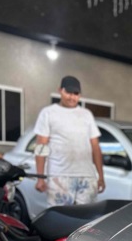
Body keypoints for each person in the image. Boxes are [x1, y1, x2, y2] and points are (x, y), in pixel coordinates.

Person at [31, 75, 106, 206]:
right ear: (60, 90)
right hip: (59, 177)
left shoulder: (86, 115)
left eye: (76, 94)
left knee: (87, 216)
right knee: (60, 216)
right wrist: (40, 178)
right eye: (68, 93)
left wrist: (101, 176)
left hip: (87, 176)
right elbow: (41, 145)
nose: (72, 97)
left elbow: (95, 147)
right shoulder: (48, 113)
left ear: (80, 95)